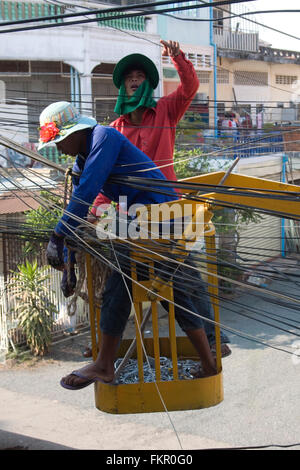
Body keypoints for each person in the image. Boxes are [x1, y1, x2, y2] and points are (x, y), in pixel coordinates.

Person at [40, 101, 218, 388]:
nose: (58, 148)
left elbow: (85, 194)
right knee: (173, 292)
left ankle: (104, 364)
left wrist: (57, 237)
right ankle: (208, 362)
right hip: (142, 223)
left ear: (76, 132)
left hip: (160, 219)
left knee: (119, 285)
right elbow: (80, 207)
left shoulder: (104, 138)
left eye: (59, 140)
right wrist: (68, 266)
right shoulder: (82, 160)